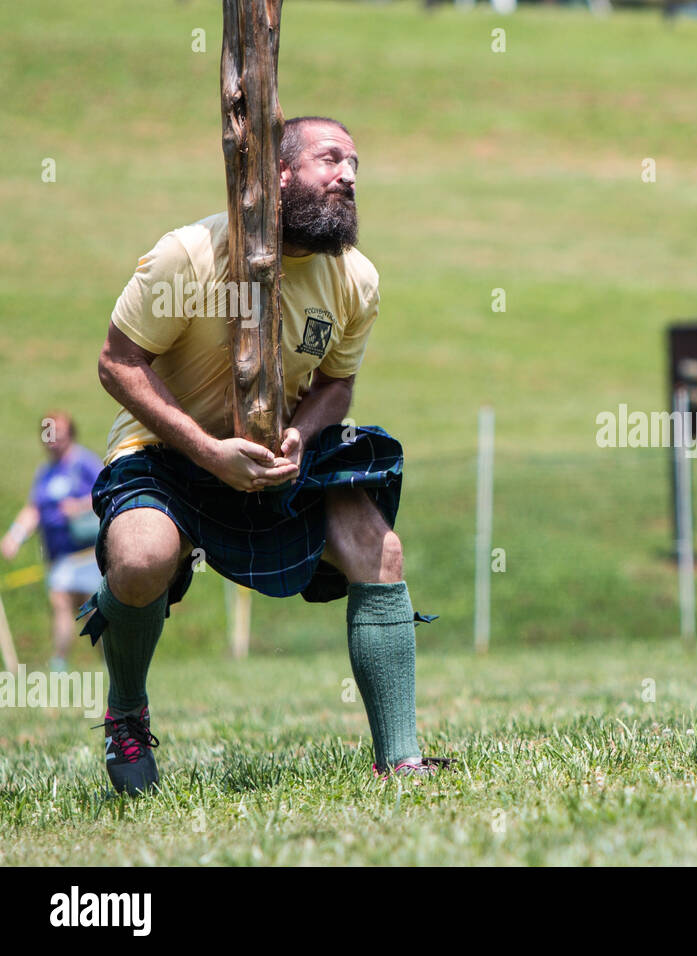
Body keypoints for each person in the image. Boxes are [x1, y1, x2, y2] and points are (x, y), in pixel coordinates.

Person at [83, 116, 453, 795]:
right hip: (167, 450)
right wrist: (207, 451)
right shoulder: (189, 254)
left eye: (356, 166)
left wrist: (301, 432)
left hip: (279, 456)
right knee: (141, 560)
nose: (349, 175)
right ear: (277, 175)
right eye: (331, 159)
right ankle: (126, 714)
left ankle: (400, 760)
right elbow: (117, 364)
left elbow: (338, 384)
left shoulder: (355, 279)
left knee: (381, 551)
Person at [1, 412, 105, 671]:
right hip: (59, 556)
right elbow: (35, 509)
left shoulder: (84, 464)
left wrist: (80, 507)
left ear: (70, 434)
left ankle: (111, 660)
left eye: (58, 433)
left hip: (88, 553)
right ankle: (59, 664)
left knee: (92, 611)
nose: (53, 440)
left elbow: (108, 493)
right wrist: (14, 536)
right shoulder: (45, 472)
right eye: (48, 434)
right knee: (60, 604)